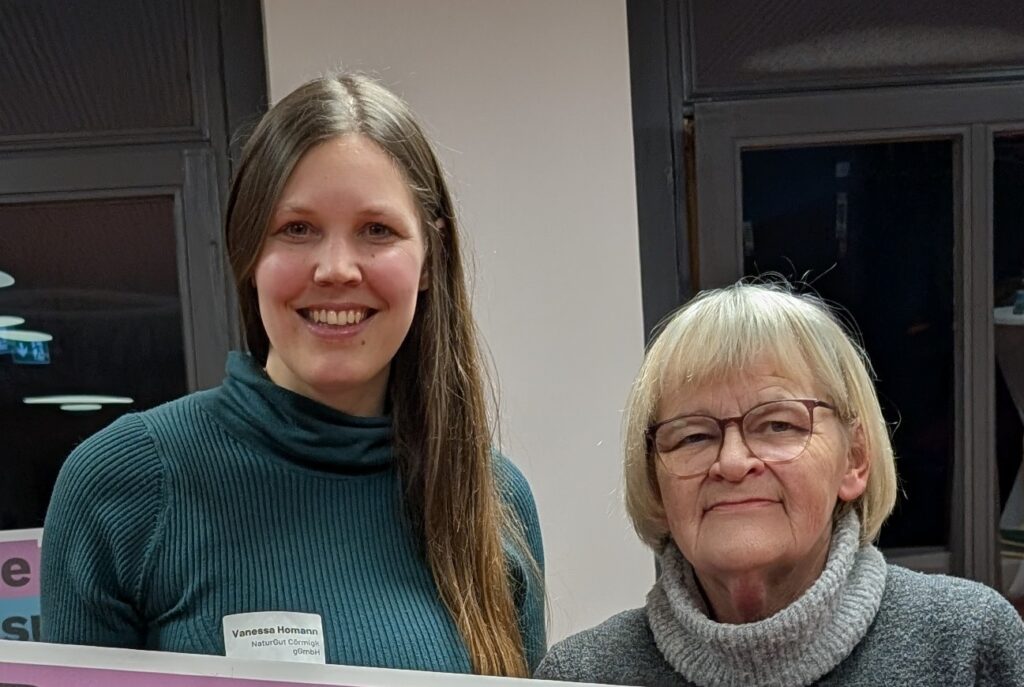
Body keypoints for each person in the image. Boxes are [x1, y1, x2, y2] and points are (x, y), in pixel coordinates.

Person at [40, 72, 545, 677]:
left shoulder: (493, 496)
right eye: (297, 229)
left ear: (431, 258)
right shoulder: (123, 484)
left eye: (377, 230)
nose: (336, 269)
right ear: (248, 252)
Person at [536, 281, 1024, 686]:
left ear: (854, 459)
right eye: (693, 436)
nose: (732, 463)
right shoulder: (582, 676)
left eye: (777, 425)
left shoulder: (965, 646)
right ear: (654, 482)